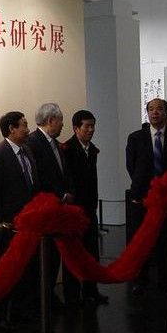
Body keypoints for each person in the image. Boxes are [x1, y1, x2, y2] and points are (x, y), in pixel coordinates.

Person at [0, 111, 40, 330]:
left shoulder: (27, 150)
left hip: (27, 224)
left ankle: (20, 312)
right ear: (11, 129)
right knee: (6, 272)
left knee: (26, 271)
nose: (28, 129)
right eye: (24, 125)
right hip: (8, 226)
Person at [125, 98, 167, 294]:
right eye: (151, 109)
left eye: (159, 109)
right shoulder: (136, 137)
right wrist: (143, 188)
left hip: (166, 198)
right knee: (141, 240)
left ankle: (166, 281)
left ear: (166, 113)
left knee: (166, 241)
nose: (154, 112)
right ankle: (140, 280)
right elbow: (131, 166)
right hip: (142, 197)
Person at [26, 102, 73, 307]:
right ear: (51, 120)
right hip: (44, 210)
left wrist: (67, 192)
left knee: (54, 257)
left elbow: (63, 173)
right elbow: (38, 178)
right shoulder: (32, 143)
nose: (62, 125)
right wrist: (58, 195)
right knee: (43, 259)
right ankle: (41, 299)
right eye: (61, 121)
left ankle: (49, 295)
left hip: (59, 210)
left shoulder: (56, 144)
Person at [61, 110, 109, 305]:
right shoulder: (67, 149)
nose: (91, 130)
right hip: (74, 211)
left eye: (93, 126)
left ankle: (91, 290)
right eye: (87, 126)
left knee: (91, 252)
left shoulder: (92, 149)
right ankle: (72, 295)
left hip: (90, 209)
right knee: (73, 253)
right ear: (76, 128)